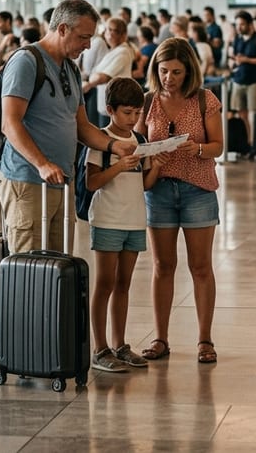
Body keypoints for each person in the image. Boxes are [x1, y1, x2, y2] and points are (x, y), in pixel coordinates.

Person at [0, 0, 135, 254]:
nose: (88, 45)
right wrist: (41, 164)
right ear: (62, 29)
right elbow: (10, 122)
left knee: (59, 264)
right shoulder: (26, 62)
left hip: (61, 179)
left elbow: (82, 126)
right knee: (30, 265)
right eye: (84, 37)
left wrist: (115, 145)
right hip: (28, 181)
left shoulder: (71, 70)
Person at [136, 37, 224, 364]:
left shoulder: (205, 100)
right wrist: (149, 158)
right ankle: (160, 338)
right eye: (163, 71)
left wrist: (198, 149)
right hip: (158, 190)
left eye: (176, 72)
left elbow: (218, 145)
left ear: (189, 72)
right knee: (162, 266)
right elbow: (137, 143)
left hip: (197, 188)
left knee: (200, 266)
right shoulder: (148, 102)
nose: (169, 78)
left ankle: (205, 339)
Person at [86, 78, 159, 372]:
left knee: (124, 284)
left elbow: (145, 185)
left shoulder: (140, 141)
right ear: (110, 110)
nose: (133, 119)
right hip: (107, 220)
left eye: (137, 113)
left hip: (135, 220)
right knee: (104, 283)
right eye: (127, 113)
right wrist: (118, 165)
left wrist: (156, 164)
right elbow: (91, 183)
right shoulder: (100, 141)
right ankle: (100, 347)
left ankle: (120, 344)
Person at [228, 11, 256, 148]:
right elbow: (234, 57)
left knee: (253, 113)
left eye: (242, 24)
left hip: (255, 81)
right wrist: (234, 62)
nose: (239, 27)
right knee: (241, 113)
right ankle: (245, 141)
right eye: (237, 24)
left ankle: (254, 143)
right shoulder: (237, 40)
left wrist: (247, 60)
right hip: (239, 80)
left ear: (250, 24)